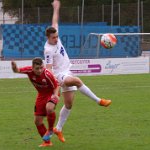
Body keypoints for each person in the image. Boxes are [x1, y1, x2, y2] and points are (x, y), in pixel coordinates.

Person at [44, 0, 112, 143]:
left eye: (57, 36)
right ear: (48, 38)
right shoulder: (48, 50)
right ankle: (99, 101)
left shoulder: (54, 34)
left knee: (69, 104)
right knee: (77, 80)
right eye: (54, 38)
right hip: (59, 75)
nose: (56, 39)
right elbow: (48, 69)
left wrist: (56, 7)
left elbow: (54, 21)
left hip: (67, 70)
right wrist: (54, 86)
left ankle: (58, 129)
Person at [11, 57, 59, 147]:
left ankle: (51, 129)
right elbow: (16, 70)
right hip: (41, 95)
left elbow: (56, 86)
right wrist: (14, 67)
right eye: (37, 68)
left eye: (41, 67)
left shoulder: (47, 74)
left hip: (51, 93)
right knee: (37, 122)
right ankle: (47, 142)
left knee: (49, 108)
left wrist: (55, 96)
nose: (40, 70)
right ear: (32, 68)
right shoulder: (29, 71)